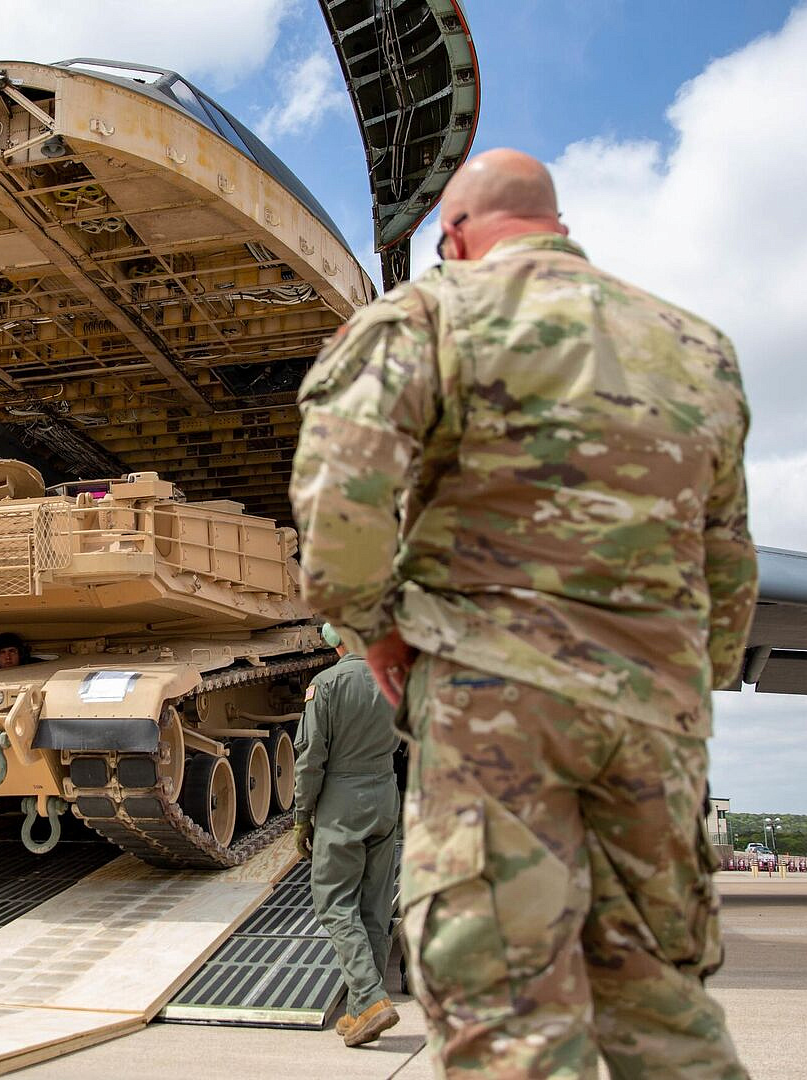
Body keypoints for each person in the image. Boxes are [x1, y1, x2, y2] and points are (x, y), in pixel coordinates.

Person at [289, 148, 758, 1078]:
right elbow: (729, 561)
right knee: (662, 1005)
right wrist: (681, 685)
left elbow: (340, 504)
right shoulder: (696, 346)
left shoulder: (432, 314)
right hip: (653, 723)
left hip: (497, 703)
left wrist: (375, 633)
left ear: (454, 236)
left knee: (509, 1020)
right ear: (557, 226)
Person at [293, 623, 403, 1047]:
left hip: (343, 802)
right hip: (383, 796)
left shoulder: (327, 683)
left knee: (335, 902)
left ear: (336, 644)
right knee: (374, 906)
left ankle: (371, 1000)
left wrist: (303, 817)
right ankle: (362, 1010)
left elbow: (310, 757)